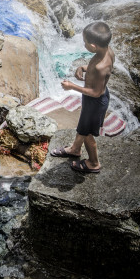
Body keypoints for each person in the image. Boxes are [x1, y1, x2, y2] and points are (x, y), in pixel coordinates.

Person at [50, 22, 114, 174]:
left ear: (92, 46)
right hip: (93, 101)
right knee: (82, 127)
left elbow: (96, 92)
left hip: (95, 102)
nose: (83, 44)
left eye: (85, 42)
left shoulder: (100, 67)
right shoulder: (107, 51)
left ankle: (93, 163)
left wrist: (72, 86)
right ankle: (75, 149)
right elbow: (97, 69)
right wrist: (83, 68)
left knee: (87, 134)